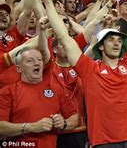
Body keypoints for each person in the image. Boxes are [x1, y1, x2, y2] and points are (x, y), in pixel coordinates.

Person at [43, 0, 127, 147]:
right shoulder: (89, 68)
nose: (116, 43)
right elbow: (64, 38)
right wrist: (48, 3)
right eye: (111, 40)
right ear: (100, 45)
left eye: (119, 40)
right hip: (104, 142)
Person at [0, 17, 79, 147]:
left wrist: (64, 123)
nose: (36, 62)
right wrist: (30, 127)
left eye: (39, 60)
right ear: (18, 68)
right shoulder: (7, 92)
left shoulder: (55, 90)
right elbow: (1, 127)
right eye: (30, 60)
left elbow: (74, 117)